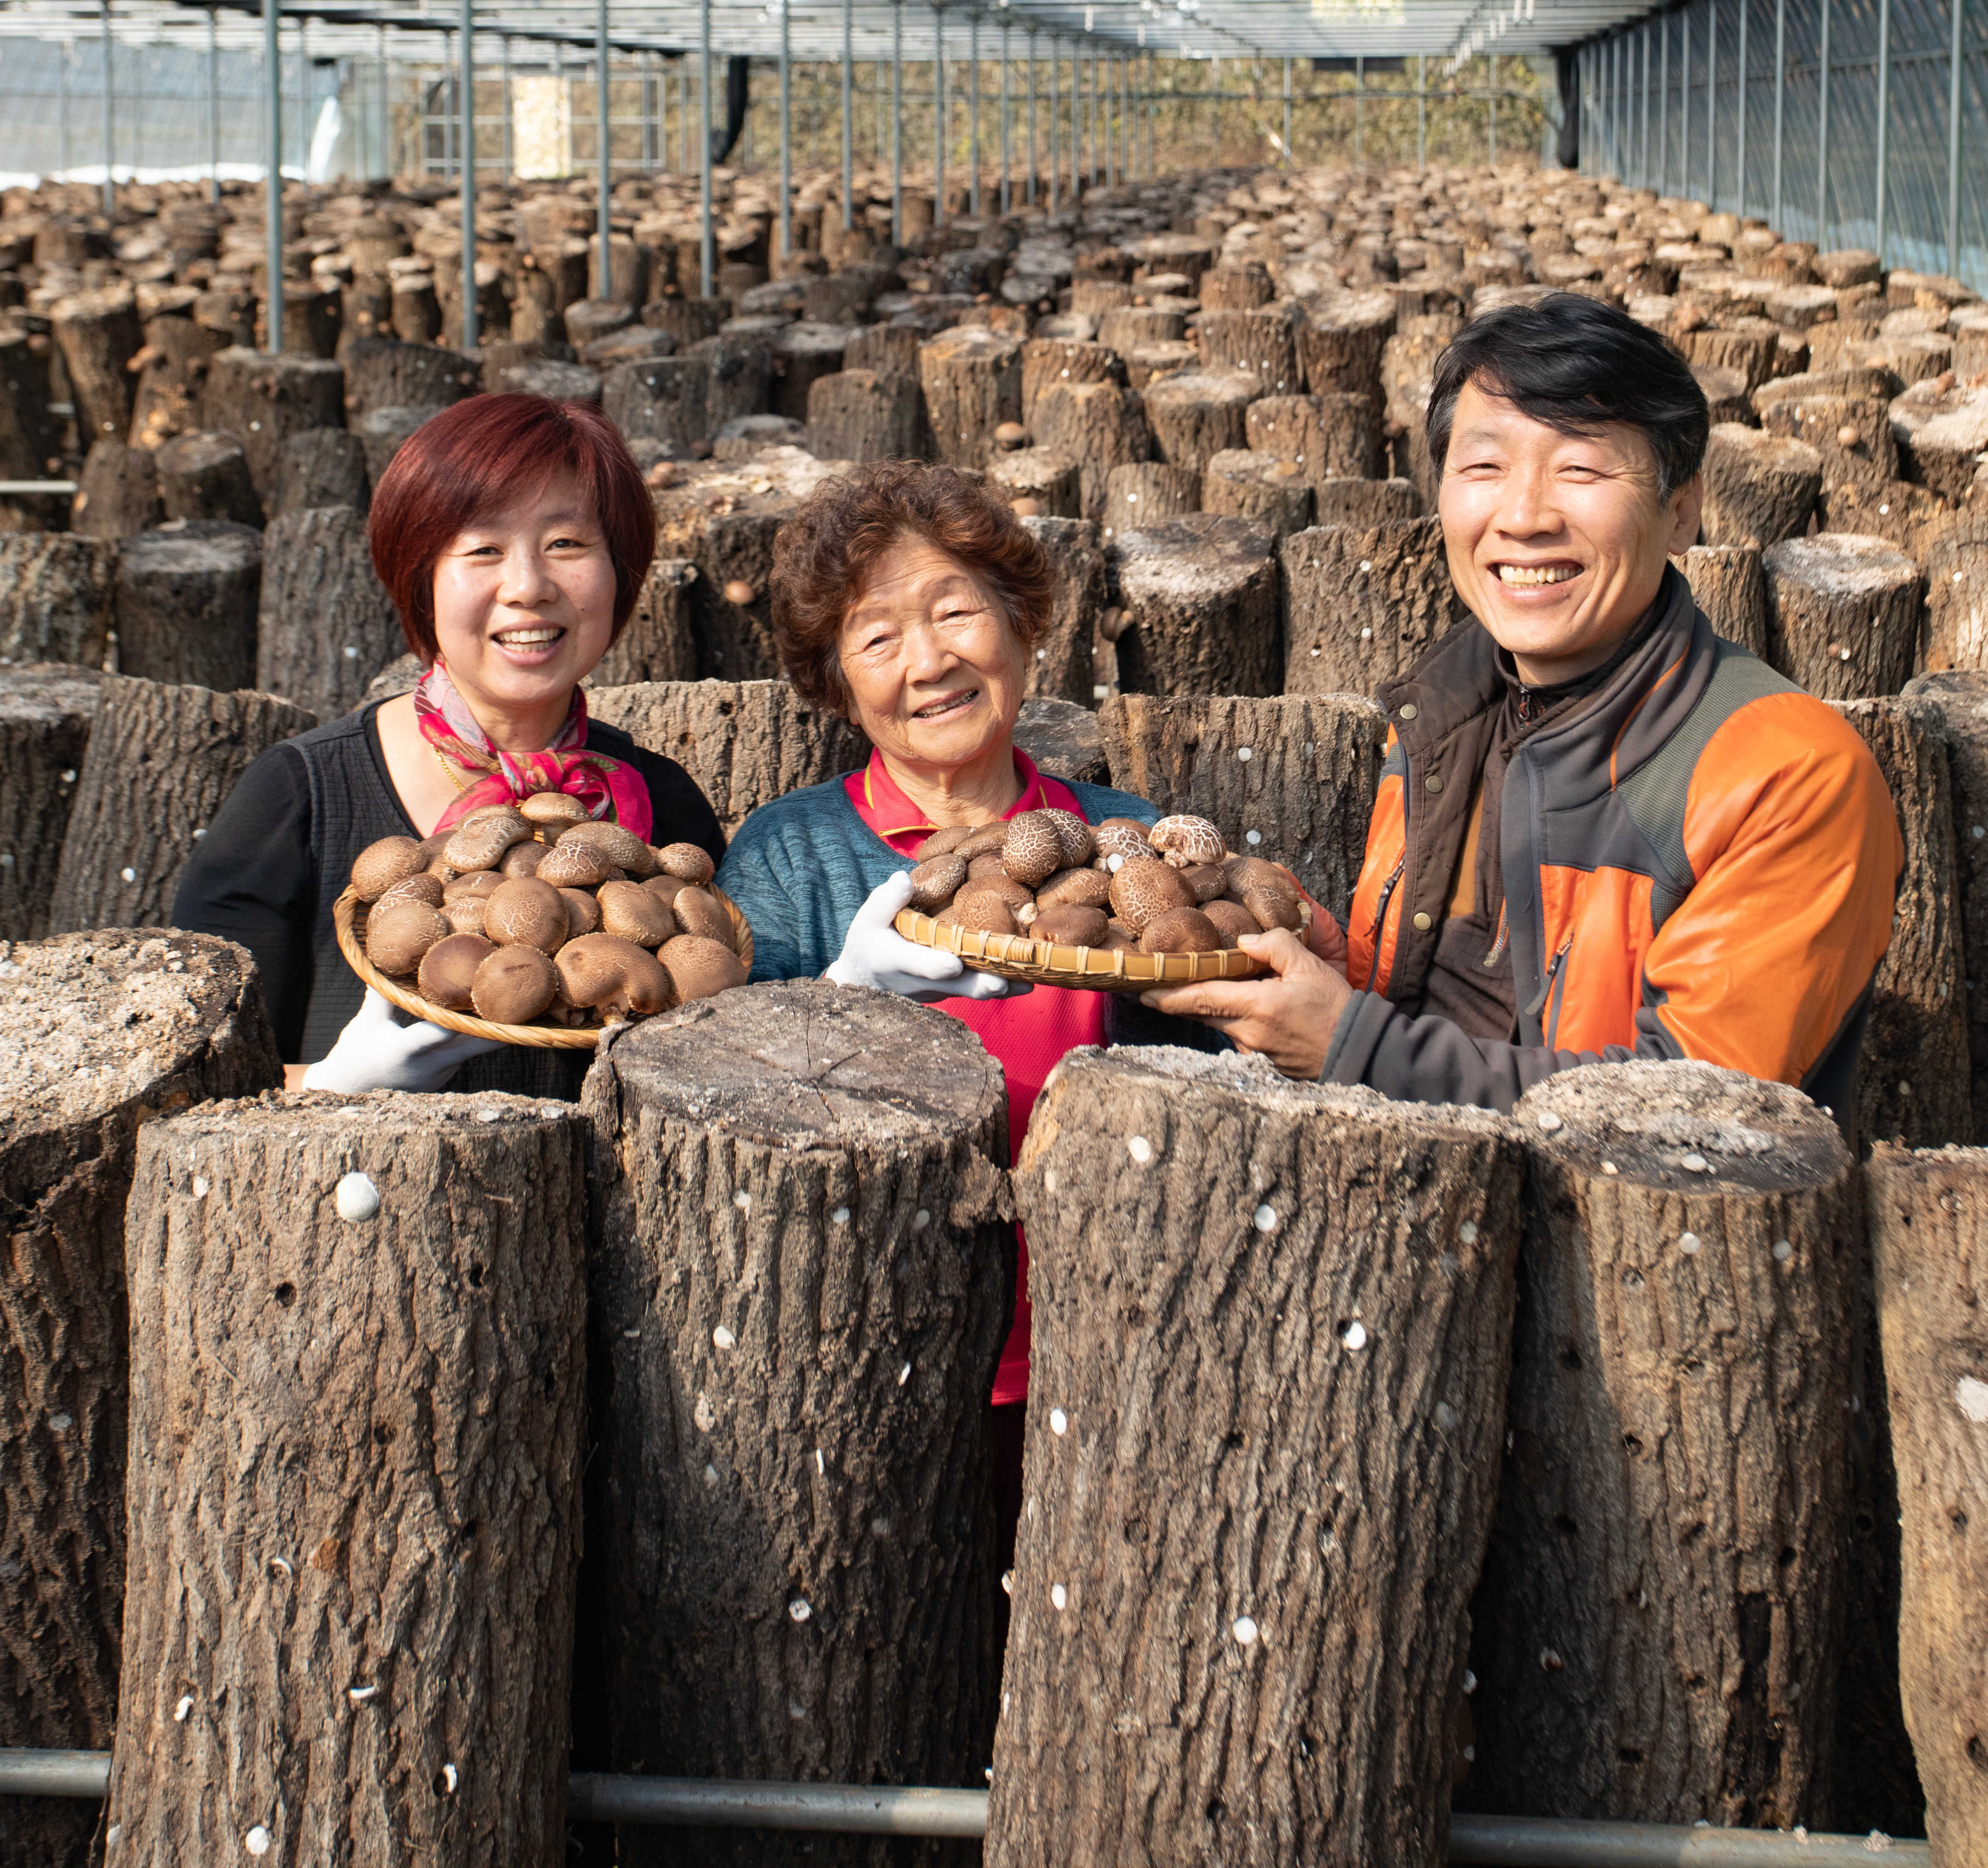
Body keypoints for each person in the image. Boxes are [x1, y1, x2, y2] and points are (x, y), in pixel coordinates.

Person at [1152, 290, 1904, 1119]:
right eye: (1485, 468)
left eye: (1579, 469)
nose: (1523, 516)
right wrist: (1348, 978)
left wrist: (1350, 1044)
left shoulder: (1789, 774)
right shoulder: (1444, 715)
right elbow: (1459, 1010)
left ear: (1681, 511)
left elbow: (1695, 1111)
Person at [714, 460, 1188, 1511]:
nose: (927, 660)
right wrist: (847, 993)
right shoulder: (790, 855)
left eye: (956, 612)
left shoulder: (1120, 831)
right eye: (877, 638)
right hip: (871, 1340)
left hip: (1098, 1334)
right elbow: (728, 1114)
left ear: (1022, 630)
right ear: (838, 685)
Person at [174, 392, 725, 1096]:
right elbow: (195, 1089)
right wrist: (329, 1085)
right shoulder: (296, 797)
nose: (527, 586)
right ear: (421, 580)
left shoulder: (662, 800)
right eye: (483, 550)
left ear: (619, 573)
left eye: (566, 544)